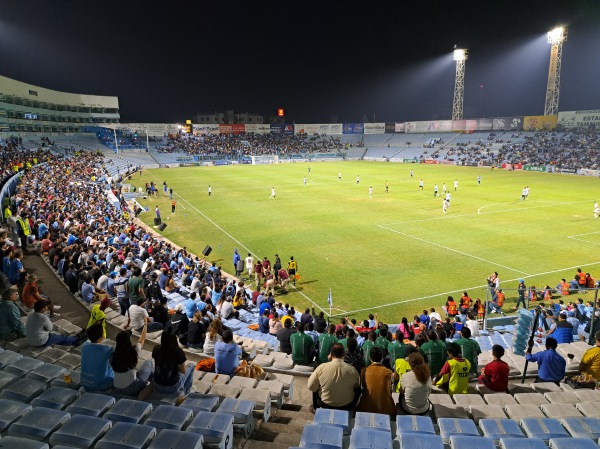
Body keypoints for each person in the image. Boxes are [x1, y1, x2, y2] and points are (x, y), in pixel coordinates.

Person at [307, 343, 361, 412]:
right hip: (347, 405)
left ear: (330, 354)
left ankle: (315, 409)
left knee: (315, 386)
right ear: (344, 354)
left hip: (325, 404)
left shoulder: (321, 367)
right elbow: (357, 387)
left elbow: (310, 386)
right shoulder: (352, 369)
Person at [111, 327, 153, 397]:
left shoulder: (113, 355)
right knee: (149, 362)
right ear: (129, 341)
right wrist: (145, 325)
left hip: (116, 387)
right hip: (132, 389)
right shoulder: (134, 351)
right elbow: (142, 340)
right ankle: (152, 385)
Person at [152, 328, 194, 394]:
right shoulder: (178, 351)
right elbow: (183, 371)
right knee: (191, 365)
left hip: (156, 384)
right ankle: (186, 391)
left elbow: (158, 364)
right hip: (172, 387)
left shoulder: (156, 348)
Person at [358, 347, 396, 415]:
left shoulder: (364, 371)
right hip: (385, 409)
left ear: (370, 358)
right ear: (382, 358)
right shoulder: (388, 372)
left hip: (366, 408)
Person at [81, 323, 114, 391]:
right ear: (102, 335)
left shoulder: (84, 346)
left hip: (85, 384)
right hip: (101, 386)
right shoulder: (108, 349)